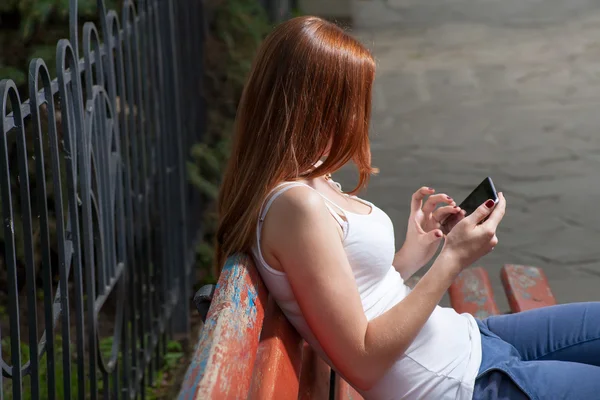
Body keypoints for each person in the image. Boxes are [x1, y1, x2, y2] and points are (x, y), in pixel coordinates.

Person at [215, 16, 600, 400]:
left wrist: (410, 257)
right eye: (352, 103)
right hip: (467, 383)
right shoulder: (294, 206)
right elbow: (362, 362)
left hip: (472, 340)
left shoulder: (307, 181)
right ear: (315, 108)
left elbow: (360, 299)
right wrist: (452, 259)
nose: (358, 118)